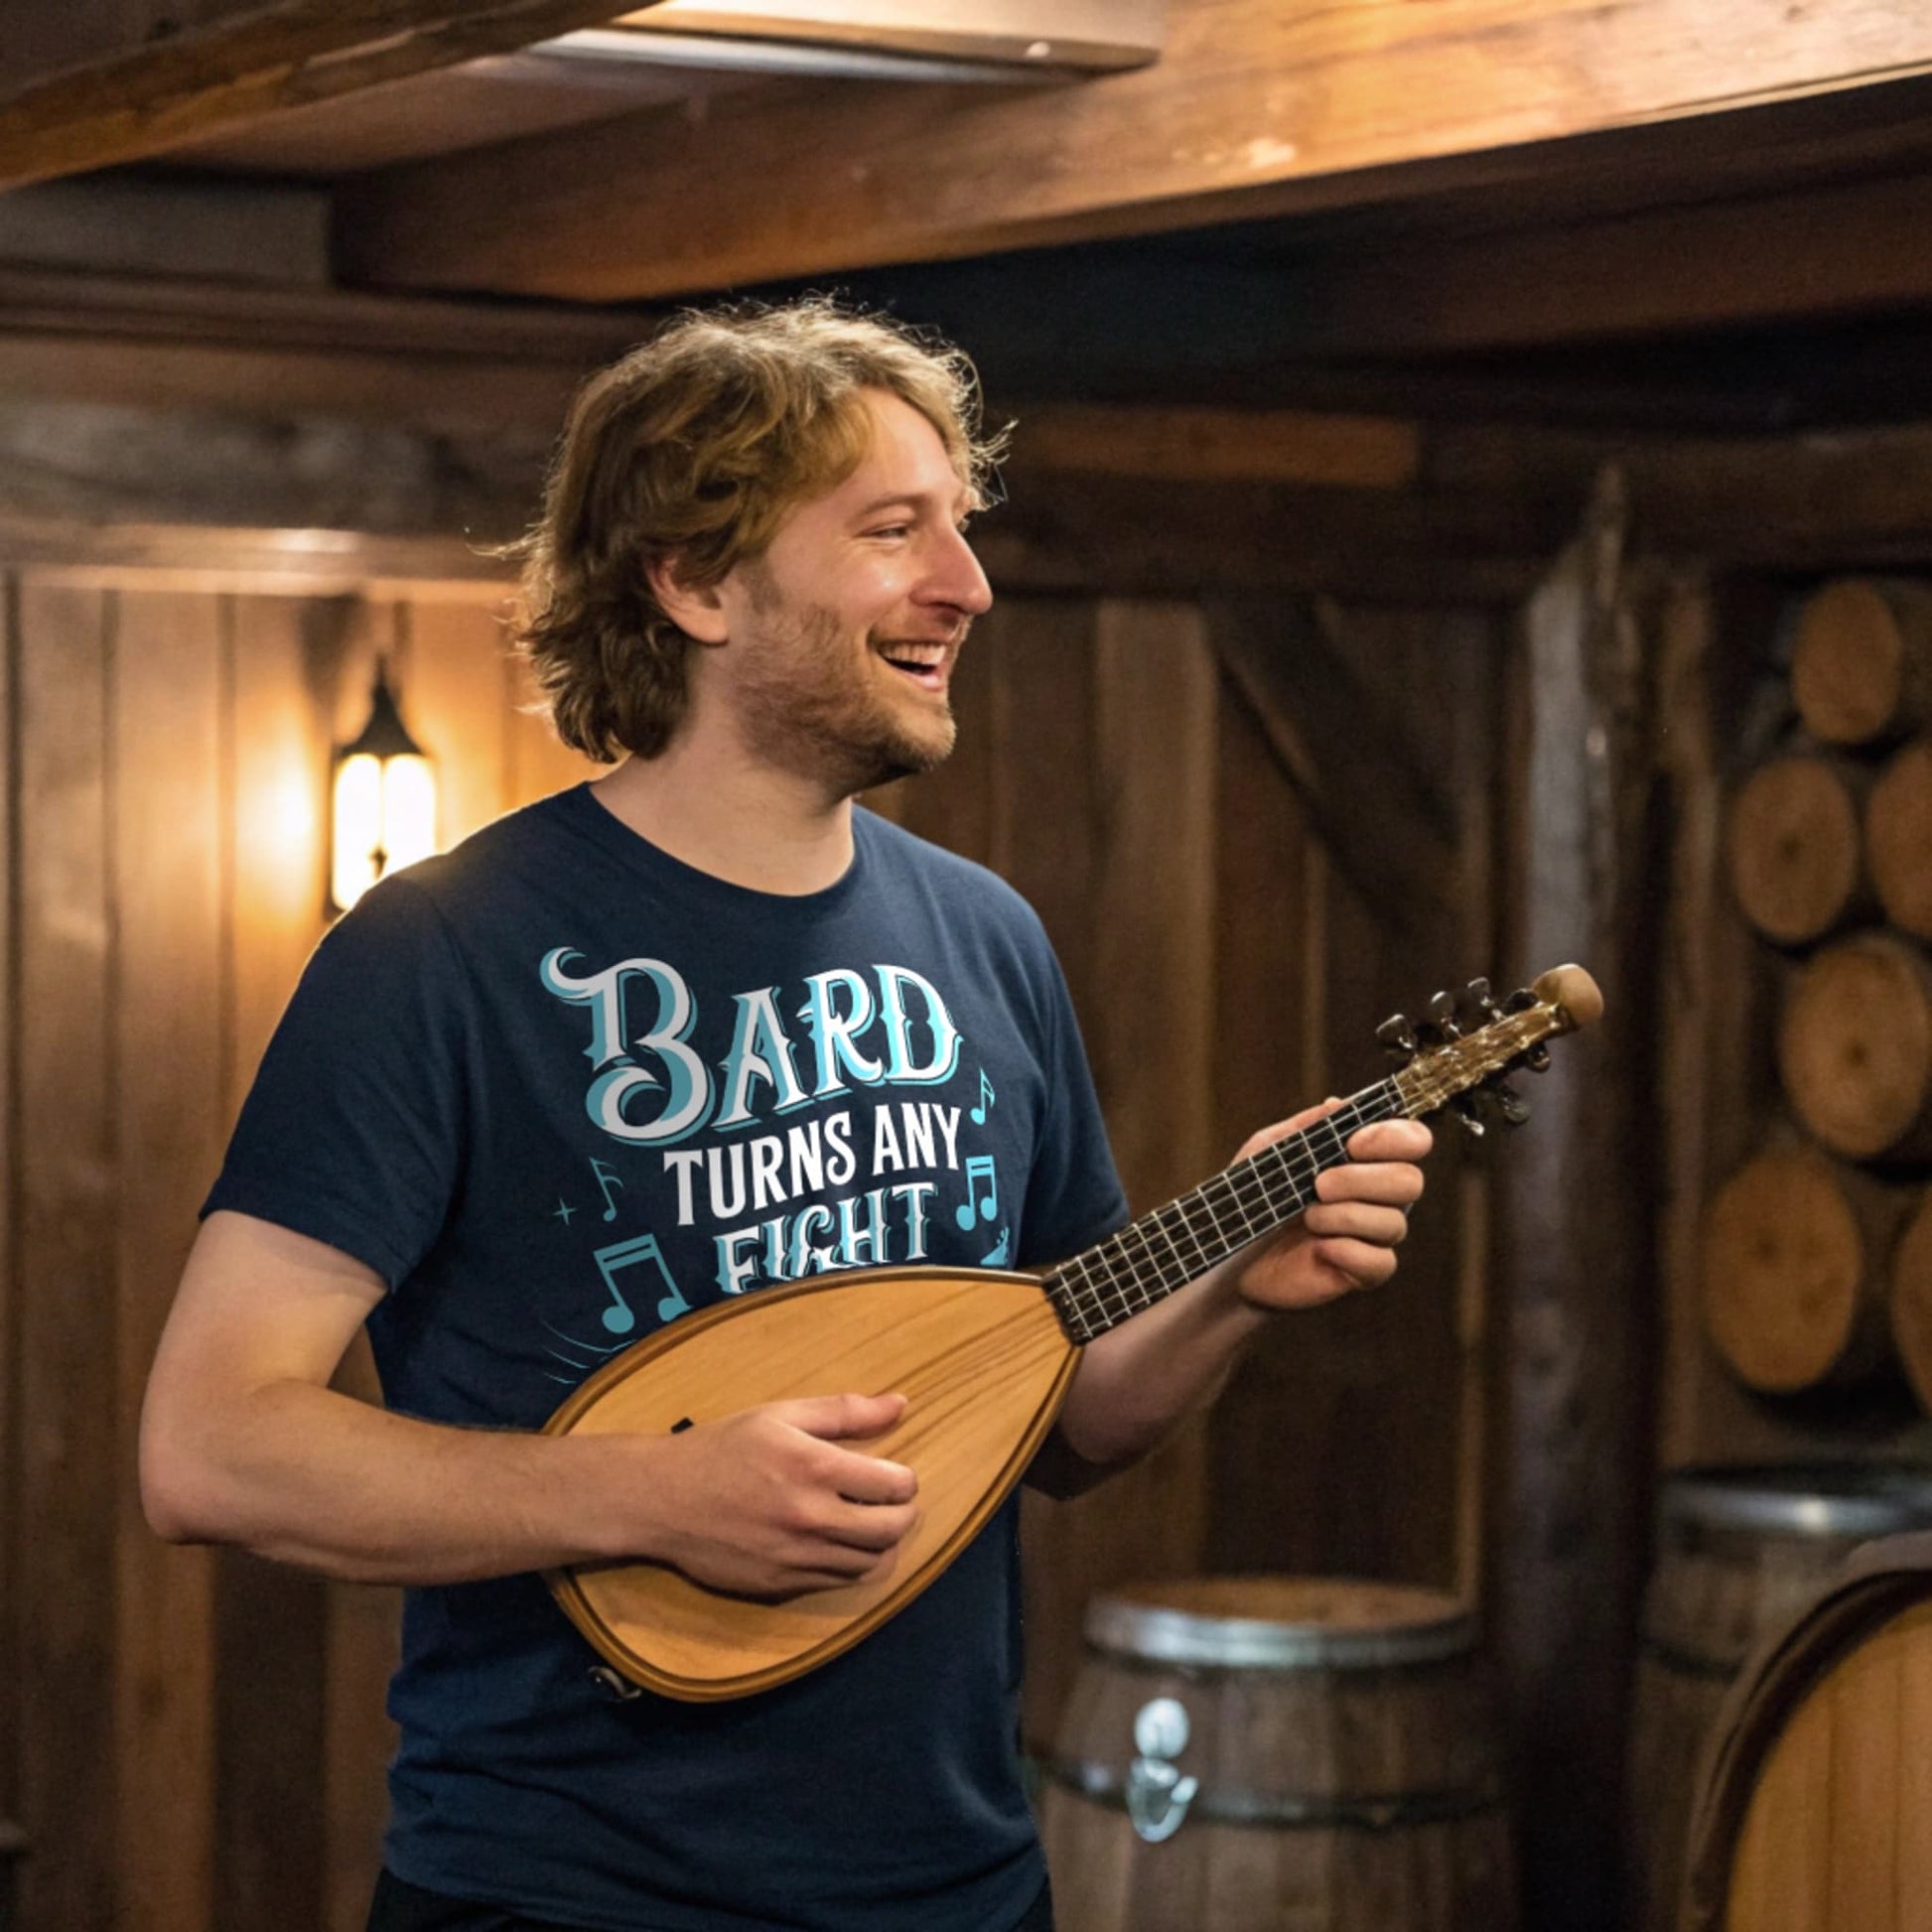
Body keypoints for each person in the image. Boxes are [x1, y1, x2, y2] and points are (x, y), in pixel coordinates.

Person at [140, 298, 1431, 1932]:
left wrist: (1233, 1280)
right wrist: (652, 1493)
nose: (963, 582)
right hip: (564, 1897)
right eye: (893, 530)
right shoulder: (442, 951)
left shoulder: (985, 938)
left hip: (956, 1885)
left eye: (960, 527)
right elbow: (209, 1445)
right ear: (692, 581)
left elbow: (1069, 1415)